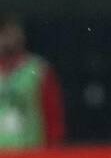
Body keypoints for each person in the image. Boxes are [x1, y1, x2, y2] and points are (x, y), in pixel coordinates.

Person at [0, 15, 65, 149]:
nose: (7, 39)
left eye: (11, 33)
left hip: (31, 151)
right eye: (3, 33)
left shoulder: (38, 70)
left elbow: (53, 115)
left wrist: (54, 148)